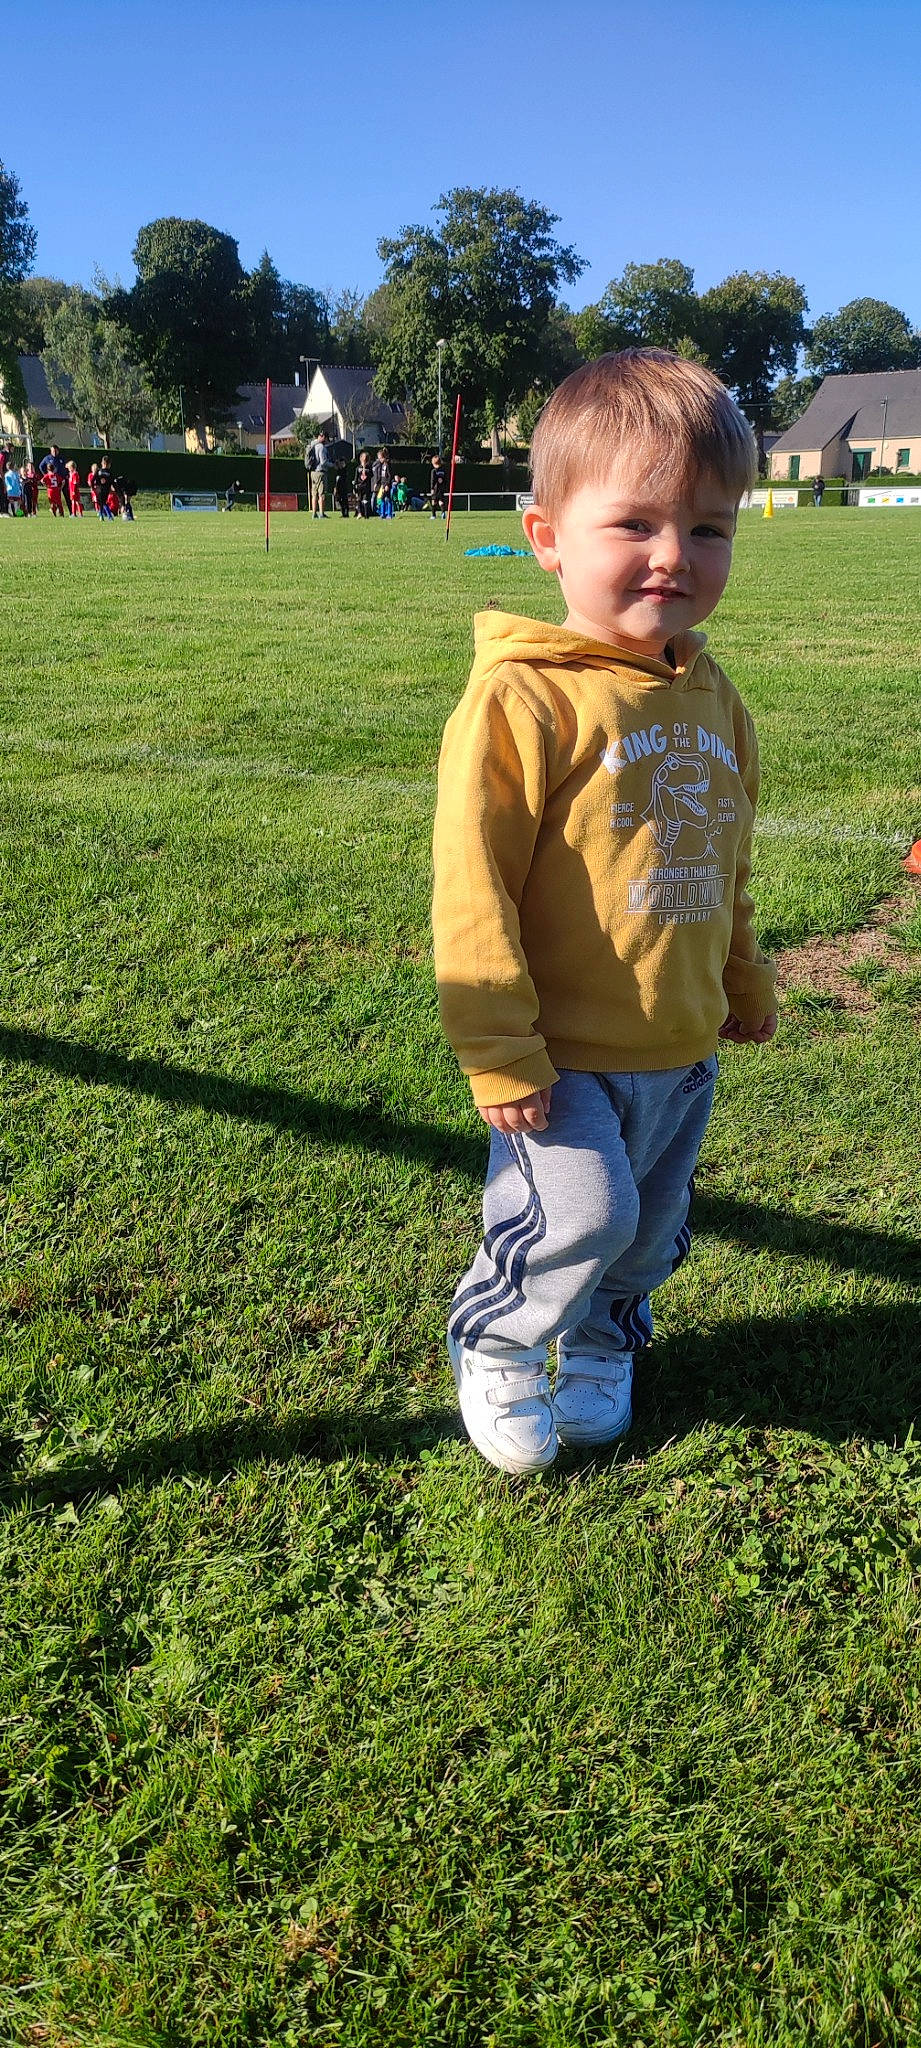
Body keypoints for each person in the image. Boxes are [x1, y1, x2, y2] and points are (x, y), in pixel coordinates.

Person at [432, 348, 778, 1475]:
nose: (676, 555)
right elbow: (472, 879)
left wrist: (743, 972)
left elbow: (720, 855)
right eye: (635, 523)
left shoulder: (716, 696)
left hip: (678, 1049)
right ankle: (498, 1337)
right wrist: (499, 1045)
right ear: (546, 537)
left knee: (649, 1231)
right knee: (577, 1213)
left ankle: (600, 1341)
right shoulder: (523, 696)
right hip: (560, 1055)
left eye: (710, 527)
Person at [308, 429, 333, 518]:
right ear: (324, 438)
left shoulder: (313, 445)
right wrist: (332, 464)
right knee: (321, 494)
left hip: (313, 472)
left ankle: (314, 513)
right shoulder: (322, 448)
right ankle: (321, 513)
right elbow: (323, 462)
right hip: (320, 472)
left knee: (314, 494)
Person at [354, 451, 373, 519]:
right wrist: (355, 487)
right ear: (361, 458)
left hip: (366, 486)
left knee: (365, 500)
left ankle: (366, 515)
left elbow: (371, 475)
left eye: (366, 457)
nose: (364, 459)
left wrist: (366, 470)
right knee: (359, 499)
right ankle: (359, 513)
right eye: (363, 457)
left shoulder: (369, 467)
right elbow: (356, 478)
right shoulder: (358, 468)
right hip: (359, 486)